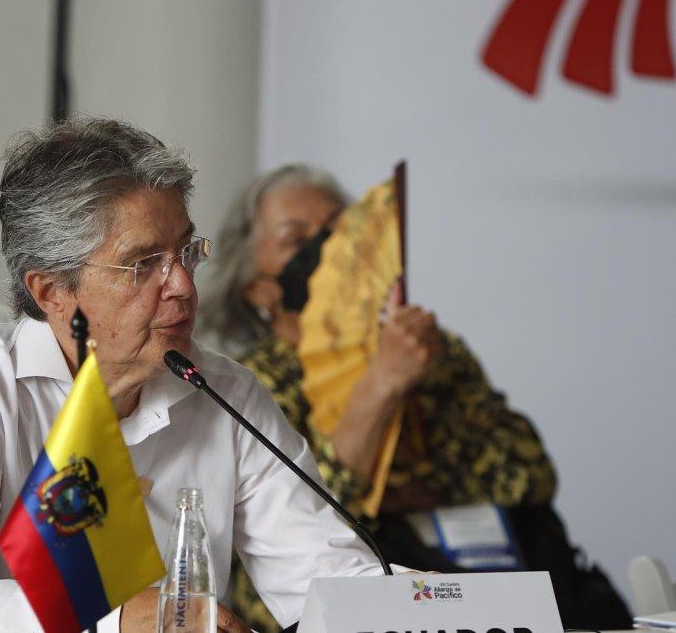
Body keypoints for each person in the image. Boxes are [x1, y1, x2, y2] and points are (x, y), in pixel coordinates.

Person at [0, 119, 381, 632]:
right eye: (143, 264)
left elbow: (326, 576)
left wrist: (421, 600)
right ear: (53, 292)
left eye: (185, 252)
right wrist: (115, 622)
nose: (183, 285)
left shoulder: (227, 391)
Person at [200, 163, 631, 632]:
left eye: (341, 229)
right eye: (296, 239)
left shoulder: (425, 349)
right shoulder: (251, 385)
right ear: (258, 288)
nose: (329, 247)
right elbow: (304, 535)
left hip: (492, 583)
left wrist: (395, 486)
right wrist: (378, 390)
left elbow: (530, 476)